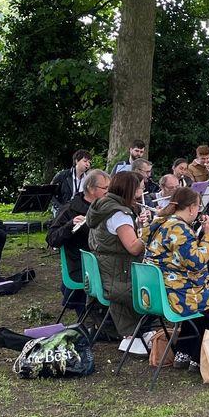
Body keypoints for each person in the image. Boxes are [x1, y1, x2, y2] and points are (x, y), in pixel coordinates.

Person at [143, 187, 209, 369]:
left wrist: (204, 235)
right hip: (175, 295)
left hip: (158, 293)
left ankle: (186, 354)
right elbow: (197, 262)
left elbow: (183, 256)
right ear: (192, 208)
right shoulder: (178, 228)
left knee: (207, 302)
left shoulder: (161, 223)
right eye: (198, 207)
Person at [86, 170, 150, 354]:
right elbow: (133, 248)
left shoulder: (101, 206)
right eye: (139, 190)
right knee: (157, 288)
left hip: (104, 270)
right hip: (116, 275)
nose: (141, 195)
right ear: (129, 191)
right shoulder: (119, 214)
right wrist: (149, 232)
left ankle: (140, 331)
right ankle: (144, 332)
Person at [47, 168, 109, 314]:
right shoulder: (70, 209)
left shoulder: (105, 207)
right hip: (81, 265)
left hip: (101, 260)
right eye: (105, 188)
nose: (108, 192)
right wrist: (70, 225)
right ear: (91, 189)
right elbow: (52, 238)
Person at [50, 149, 92, 214]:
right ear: (76, 161)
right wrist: (59, 207)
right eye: (85, 161)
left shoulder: (88, 178)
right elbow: (50, 193)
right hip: (63, 211)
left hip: (80, 211)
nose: (88, 164)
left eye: (89, 162)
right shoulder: (62, 175)